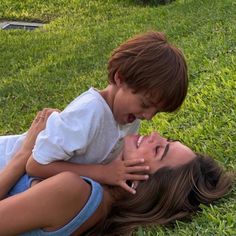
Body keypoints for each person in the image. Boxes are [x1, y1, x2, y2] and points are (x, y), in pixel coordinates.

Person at [0, 31, 188, 193]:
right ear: (120, 78)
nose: (147, 116)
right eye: (145, 104)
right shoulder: (89, 112)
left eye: (156, 112)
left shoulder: (129, 119)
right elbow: (36, 165)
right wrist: (102, 173)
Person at [0, 110, 233, 235]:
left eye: (160, 149)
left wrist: (24, 153)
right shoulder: (93, 197)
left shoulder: (73, 191)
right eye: (167, 139)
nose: (154, 135)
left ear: (141, 185)